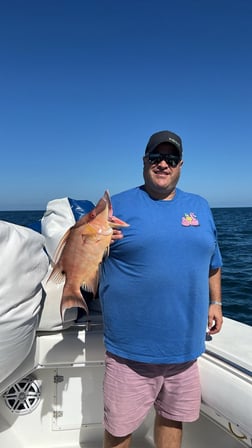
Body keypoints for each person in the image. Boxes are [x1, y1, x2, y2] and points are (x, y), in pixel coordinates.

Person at [99, 130, 223, 448]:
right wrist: (95, 240)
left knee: (172, 418)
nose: (163, 164)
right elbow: (80, 248)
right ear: (145, 162)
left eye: (170, 158)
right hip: (130, 350)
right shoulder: (115, 206)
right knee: (119, 429)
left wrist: (216, 303)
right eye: (156, 157)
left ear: (180, 165)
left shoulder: (200, 206)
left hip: (184, 348)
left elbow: (213, 260)